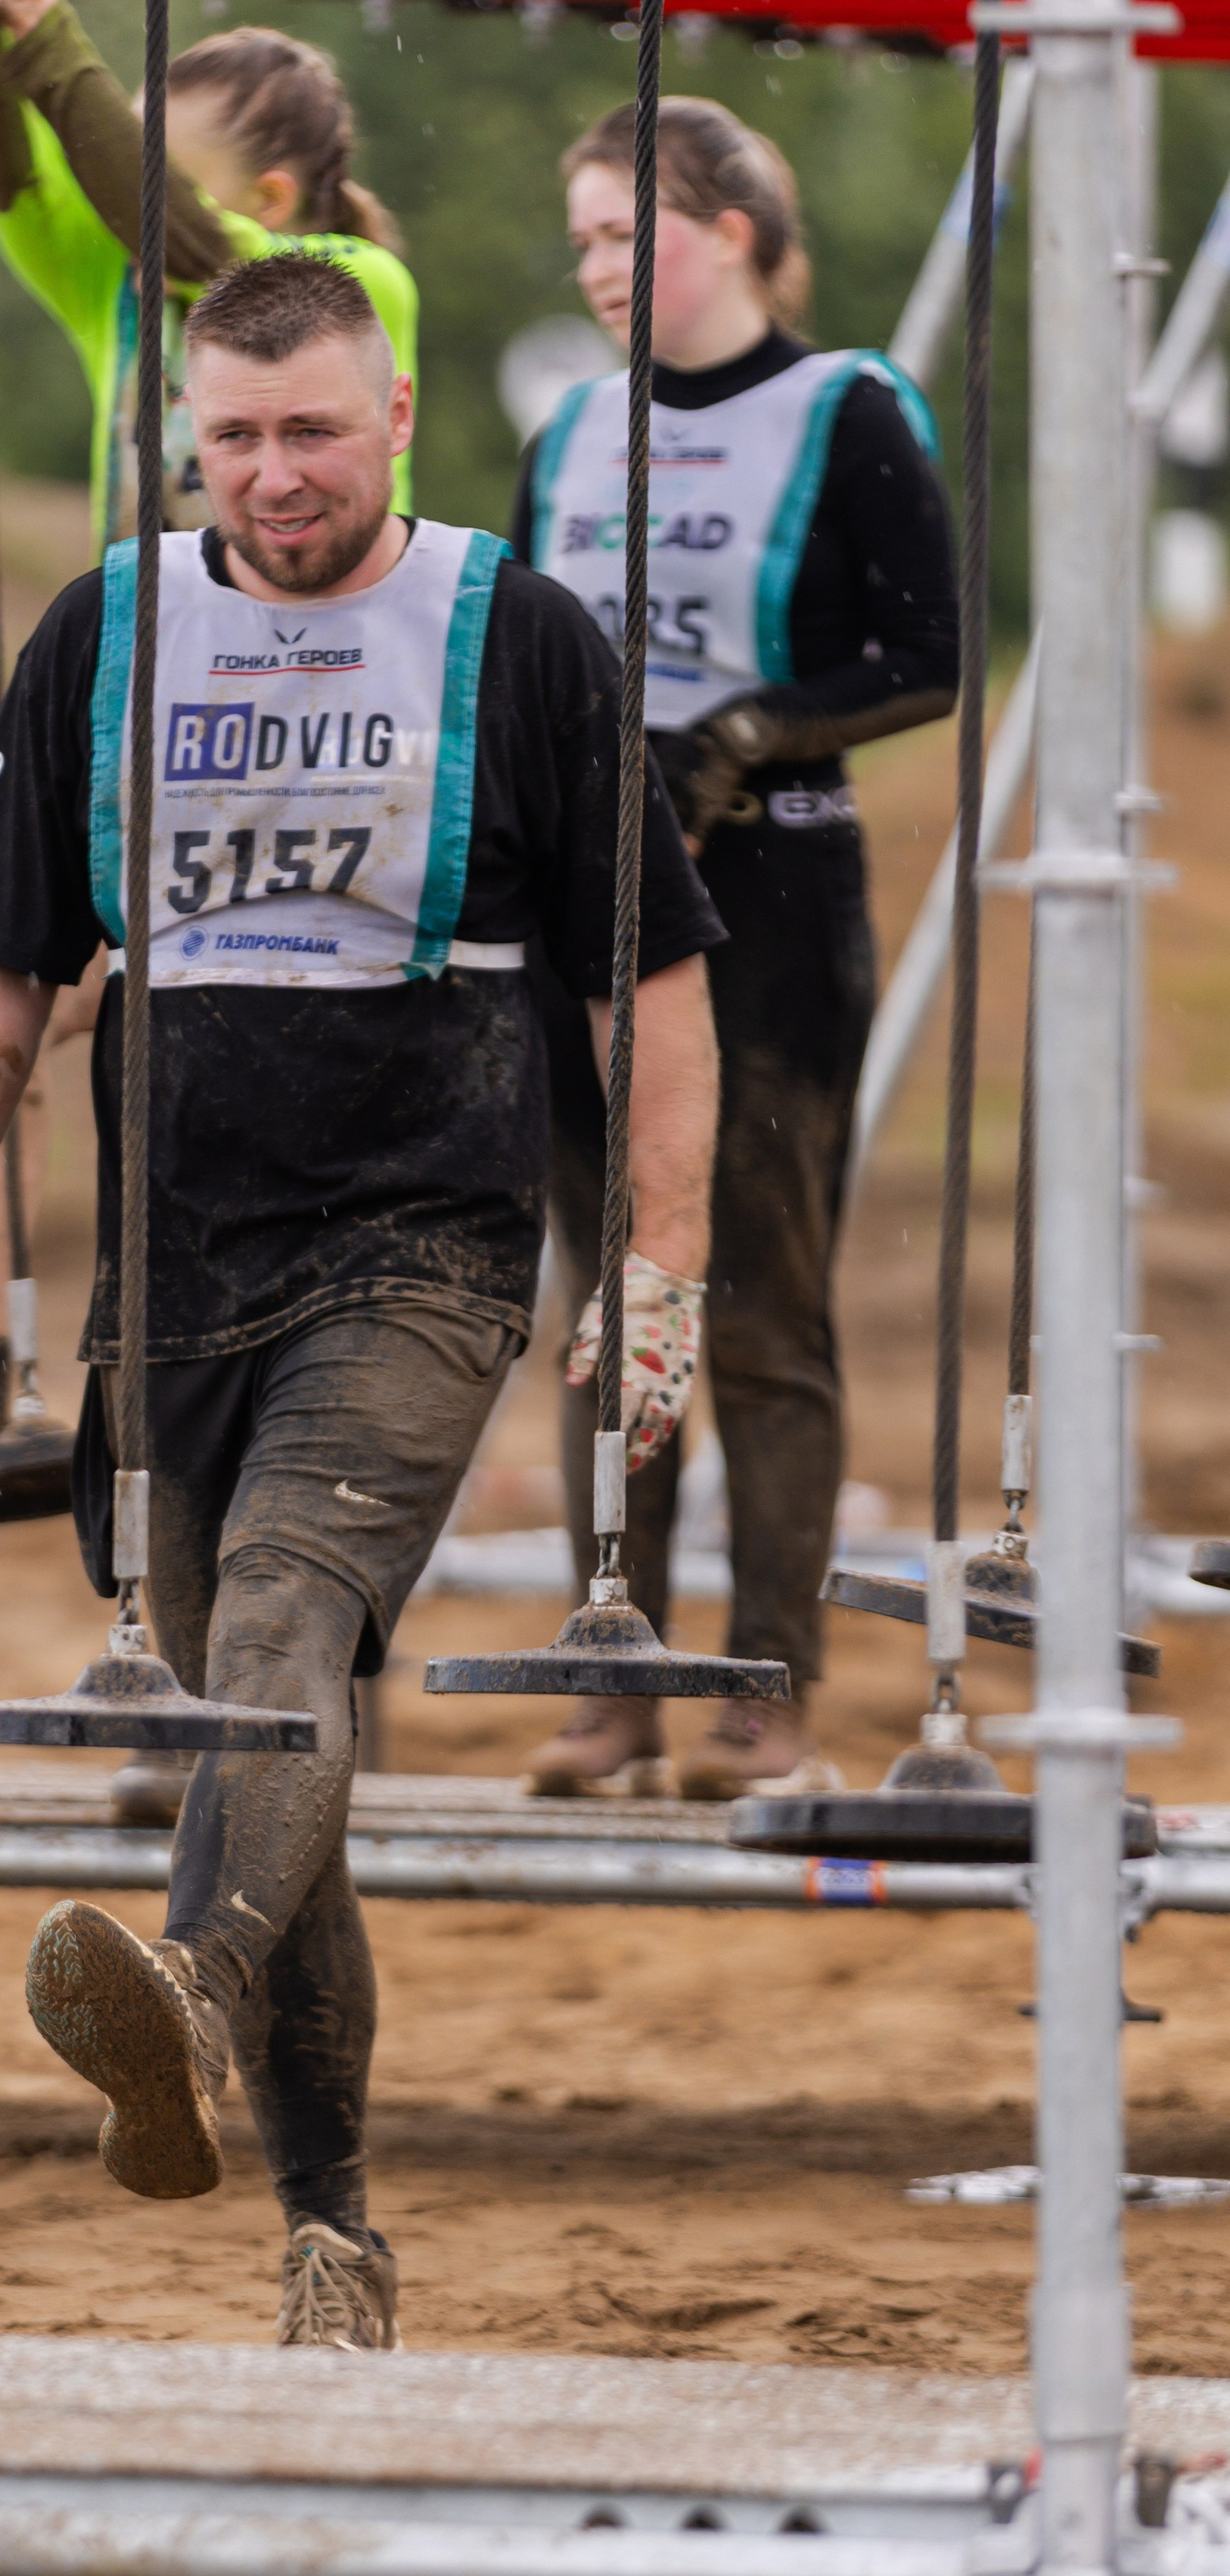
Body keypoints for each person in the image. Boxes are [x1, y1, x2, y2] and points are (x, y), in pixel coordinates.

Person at [0, 250, 723, 2344]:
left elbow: (657, 982)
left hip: (423, 1248)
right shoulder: (107, 633)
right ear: (191, 438)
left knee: (276, 1624)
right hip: (173, 1275)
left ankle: (191, 1987)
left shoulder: (520, 636)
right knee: (267, 1740)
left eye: (313, 431)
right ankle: (333, 2236)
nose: (273, 476)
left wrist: (664, 1269)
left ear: (400, 414)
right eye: (235, 436)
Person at [513, 96, 959, 1805]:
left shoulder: (840, 409)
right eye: (580, 237)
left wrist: (743, 732)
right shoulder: (565, 429)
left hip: (768, 910)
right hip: (579, 925)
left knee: (756, 1310)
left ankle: (766, 1684)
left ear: (736, 227)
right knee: (600, 1306)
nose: (596, 264)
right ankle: (609, 1666)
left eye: (624, 230)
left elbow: (926, 650)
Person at [0, 0, 418, 553]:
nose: (117, 187)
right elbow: (11, 161)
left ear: (268, 199)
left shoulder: (364, 286)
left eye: (154, 167)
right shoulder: (114, 280)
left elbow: (191, 244)